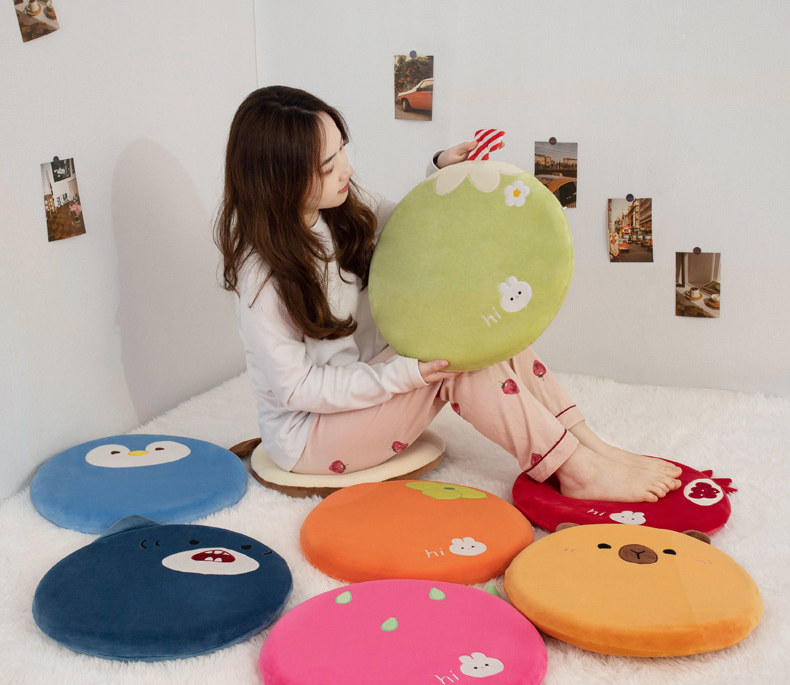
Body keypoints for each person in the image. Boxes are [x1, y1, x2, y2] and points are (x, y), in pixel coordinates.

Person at [215, 86, 681, 503]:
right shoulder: (262, 277)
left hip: (362, 383)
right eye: (328, 165)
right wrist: (405, 375)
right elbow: (297, 389)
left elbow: (410, 227)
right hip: (309, 436)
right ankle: (577, 472)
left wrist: (440, 171)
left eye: (342, 151)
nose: (347, 170)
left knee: (489, 335)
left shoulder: (333, 205)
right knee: (456, 364)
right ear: (280, 180)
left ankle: (589, 445)